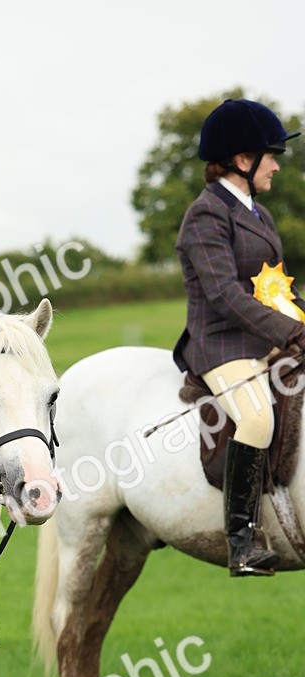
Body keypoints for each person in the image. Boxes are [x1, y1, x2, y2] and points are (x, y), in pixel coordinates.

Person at [174, 98, 305, 576]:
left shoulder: (262, 216)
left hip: (263, 336)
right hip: (222, 344)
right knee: (257, 420)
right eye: (271, 156)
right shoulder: (205, 217)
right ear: (242, 160)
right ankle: (242, 541)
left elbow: (277, 289)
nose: (276, 164)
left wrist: (301, 319)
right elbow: (226, 295)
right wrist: (292, 331)